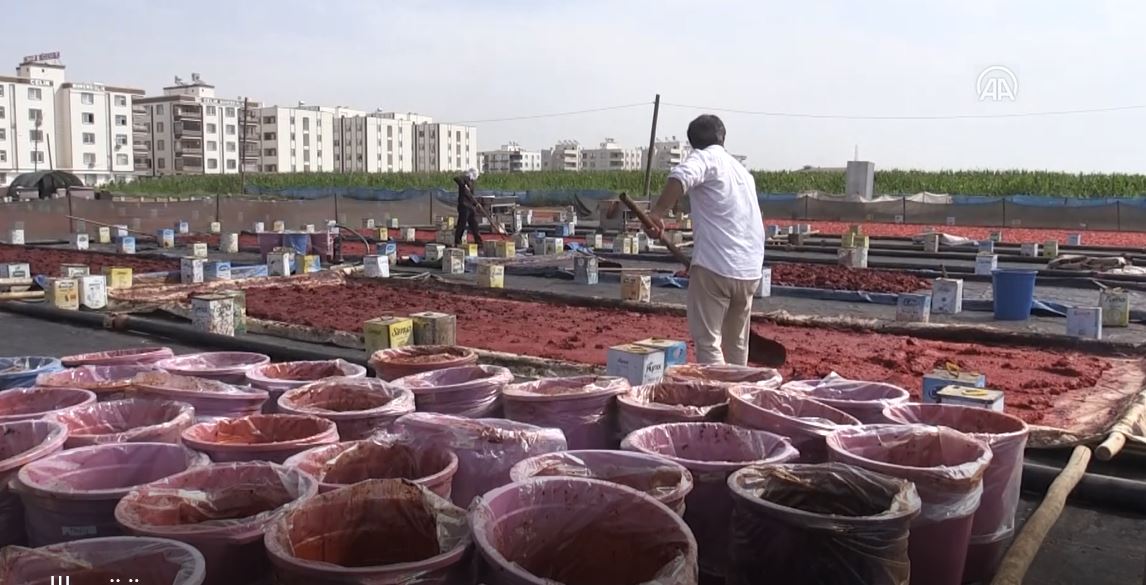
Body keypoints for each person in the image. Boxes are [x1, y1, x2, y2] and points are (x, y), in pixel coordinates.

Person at [647, 115, 765, 365]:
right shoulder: (743, 172)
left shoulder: (706, 158)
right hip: (750, 271)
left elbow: (680, 177)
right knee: (737, 344)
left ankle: (719, 396)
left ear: (692, 144)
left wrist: (656, 213)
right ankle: (736, 396)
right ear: (722, 137)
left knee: (709, 342)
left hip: (716, 268)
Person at [453, 168, 484, 247]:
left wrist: (476, 204)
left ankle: (478, 241)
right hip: (464, 206)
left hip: (470, 207)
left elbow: (471, 196)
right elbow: (456, 178)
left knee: (474, 224)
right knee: (462, 225)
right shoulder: (464, 179)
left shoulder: (472, 183)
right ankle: (457, 241)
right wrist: (463, 185)